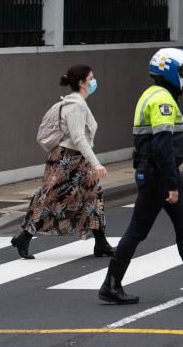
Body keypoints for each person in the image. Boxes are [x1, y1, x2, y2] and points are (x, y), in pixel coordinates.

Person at [98, 48, 183, 304]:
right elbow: (161, 146)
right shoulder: (163, 101)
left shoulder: (152, 94)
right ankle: (111, 284)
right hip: (159, 176)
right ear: (171, 73)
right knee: (138, 230)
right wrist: (171, 183)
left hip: (161, 174)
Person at [12, 65, 114, 259]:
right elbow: (78, 138)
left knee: (93, 197)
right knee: (49, 198)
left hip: (77, 159)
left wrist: (89, 162)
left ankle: (101, 243)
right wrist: (96, 163)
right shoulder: (75, 106)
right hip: (66, 160)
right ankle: (24, 237)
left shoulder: (79, 104)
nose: (94, 81)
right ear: (82, 83)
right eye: (91, 78)